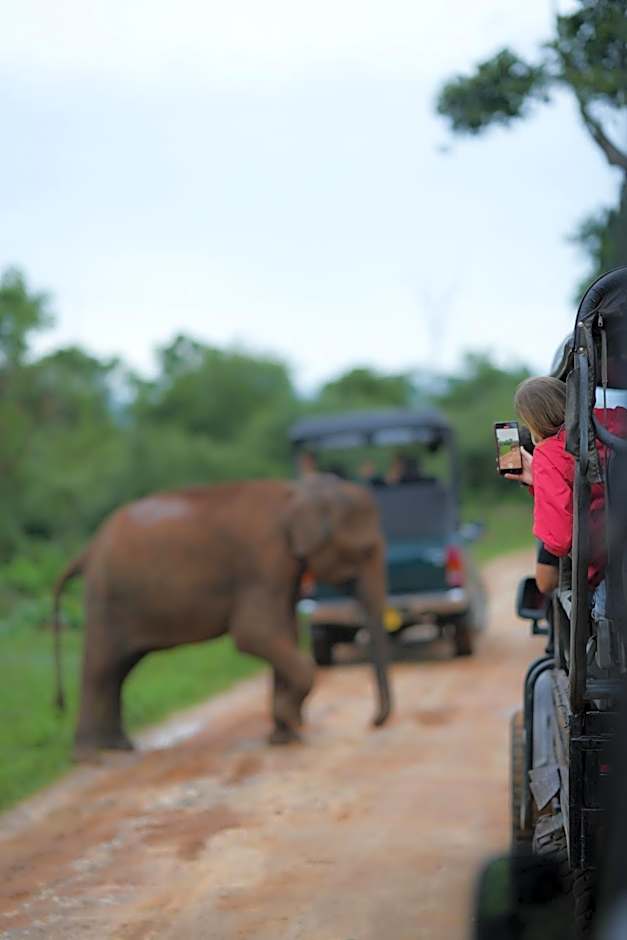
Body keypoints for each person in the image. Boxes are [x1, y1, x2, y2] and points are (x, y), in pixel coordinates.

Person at [505, 375, 626, 599]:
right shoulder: (614, 420)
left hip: (607, 556)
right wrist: (538, 480)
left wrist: (542, 478)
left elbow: (559, 539)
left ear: (532, 420)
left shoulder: (547, 453)